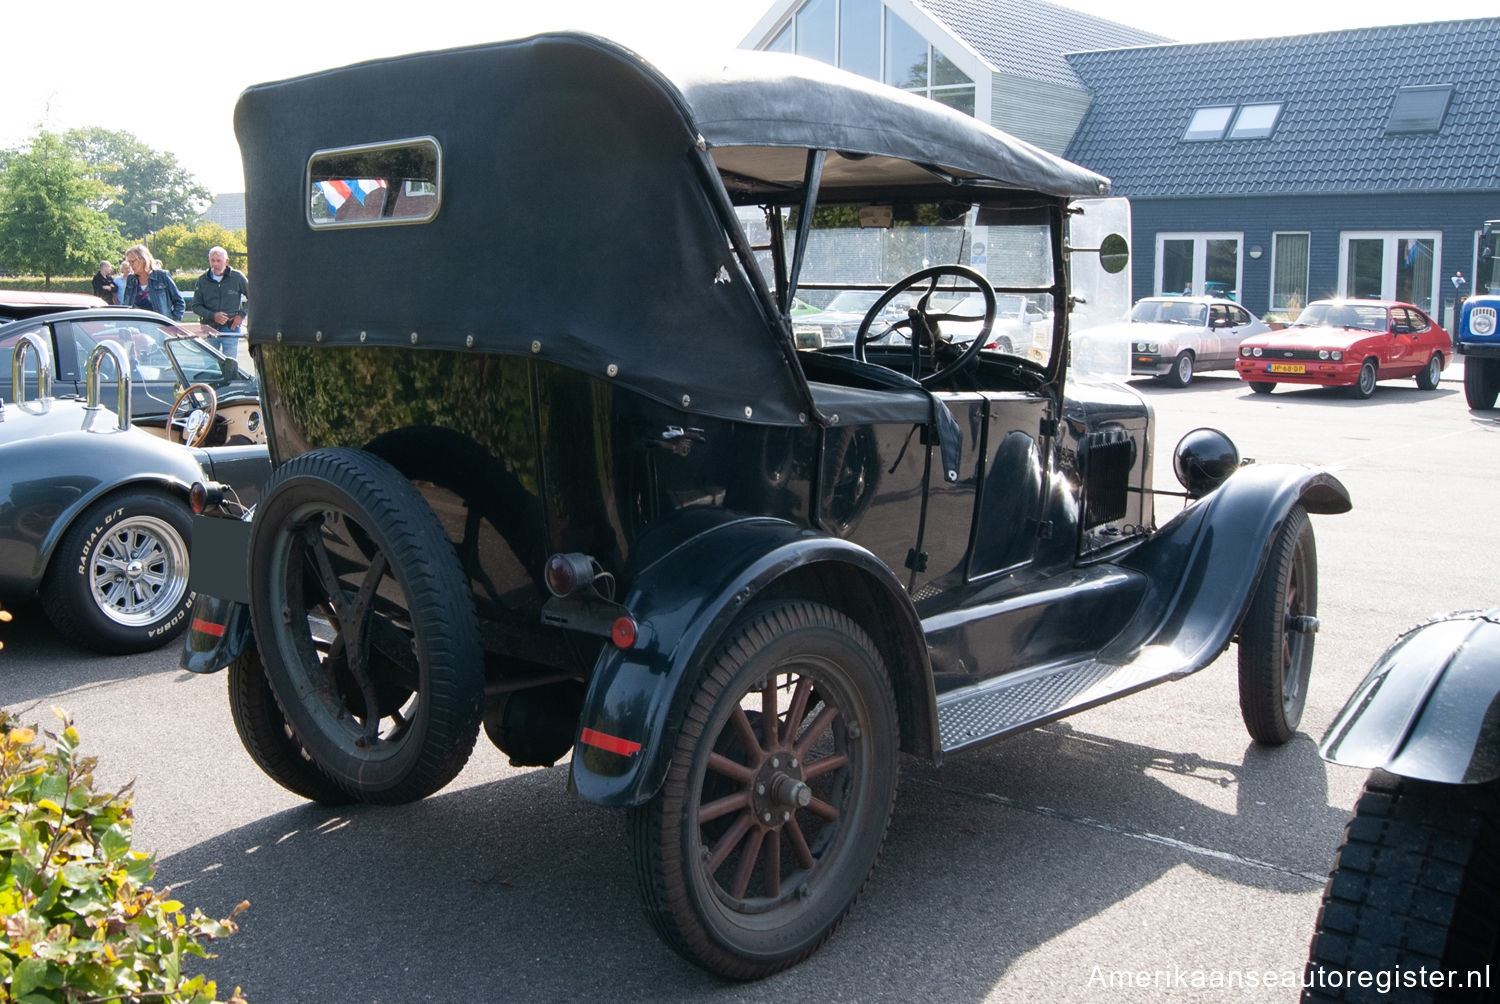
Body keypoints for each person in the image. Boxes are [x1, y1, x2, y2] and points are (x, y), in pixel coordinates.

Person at [191, 246, 249, 358]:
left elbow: (253, 297)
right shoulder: (202, 280)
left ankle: (230, 376)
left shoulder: (237, 277)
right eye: (212, 260)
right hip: (208, 328)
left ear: (226, 261)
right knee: (210, 363)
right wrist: (213, 316)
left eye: (219, 261)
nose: (215, 264)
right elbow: (196, 306)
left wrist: (241, 315)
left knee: (230, 362)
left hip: (231, 327)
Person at [120, 244, 185, 320]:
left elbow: (179, 302)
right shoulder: (131, 279)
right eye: (129, 262)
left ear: (143, 260)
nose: (130, 265)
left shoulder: (162, 276)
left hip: (159, 326)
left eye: (133, 261)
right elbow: (126, 305)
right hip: (136, 327)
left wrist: (173, 323)